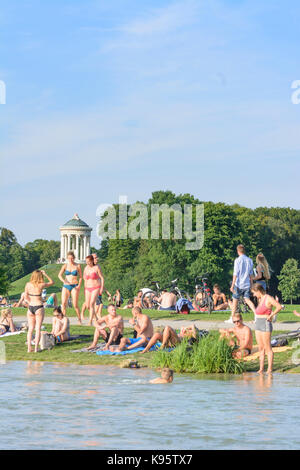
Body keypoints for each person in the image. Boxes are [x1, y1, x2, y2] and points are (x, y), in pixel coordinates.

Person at [252, 283, 282, 374]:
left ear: (258, 291)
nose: (253, 295)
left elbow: (279, 307)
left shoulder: (268, 298)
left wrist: (272, 315)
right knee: (260, 348)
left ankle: (269, 369)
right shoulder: (259, 299)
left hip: (265, 323)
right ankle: (261, 369)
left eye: (254, 293)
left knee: (267, 347)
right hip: (258, 324)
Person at [24, 269, 54, 353]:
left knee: (30, 329)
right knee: (37, 329)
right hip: (39, 306)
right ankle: (36, 348)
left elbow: (25, 296)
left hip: (31, 307)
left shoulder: (28, 284)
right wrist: (45, 274)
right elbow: (52, 282)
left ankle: (29, 348)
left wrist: (29, 302)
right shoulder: (41, 285)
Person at [226, 244, 256, 323]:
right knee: (248, 300)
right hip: (247, 284)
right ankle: (257, 315)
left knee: (235, 301)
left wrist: (232, 285)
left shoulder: (237, 260)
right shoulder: (250, 260)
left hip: (238, 284)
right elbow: (251, 274)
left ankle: (232, 318)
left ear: (238, 251)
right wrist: (252, 284)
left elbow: (235, 274)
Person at [58, 251, 82, 324]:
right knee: (63, 303)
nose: (70, 260)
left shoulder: (78, 266)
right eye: (69, 258)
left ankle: (79, 319)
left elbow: (81, 277)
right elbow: (59, 275)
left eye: (72, 258)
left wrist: (79, 285)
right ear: (67, 258)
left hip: (74, 285)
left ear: (74, 258)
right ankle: (63, 320)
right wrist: (63, 281)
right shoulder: (65, 266)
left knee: (75, 304)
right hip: (66, 285)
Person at [83, 254, 104, 326]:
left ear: (92, 261)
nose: (87, 263)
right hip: (87, 288)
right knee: (88, 305)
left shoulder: (97, 267)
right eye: (86, 261)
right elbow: (85, 279)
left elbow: (102, 278)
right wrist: (84, 288)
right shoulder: (86, 268)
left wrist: (101, 288)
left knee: (92, 304)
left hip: (96, 287)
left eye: (88, 261)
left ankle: (90, 321)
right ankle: (96, 317)